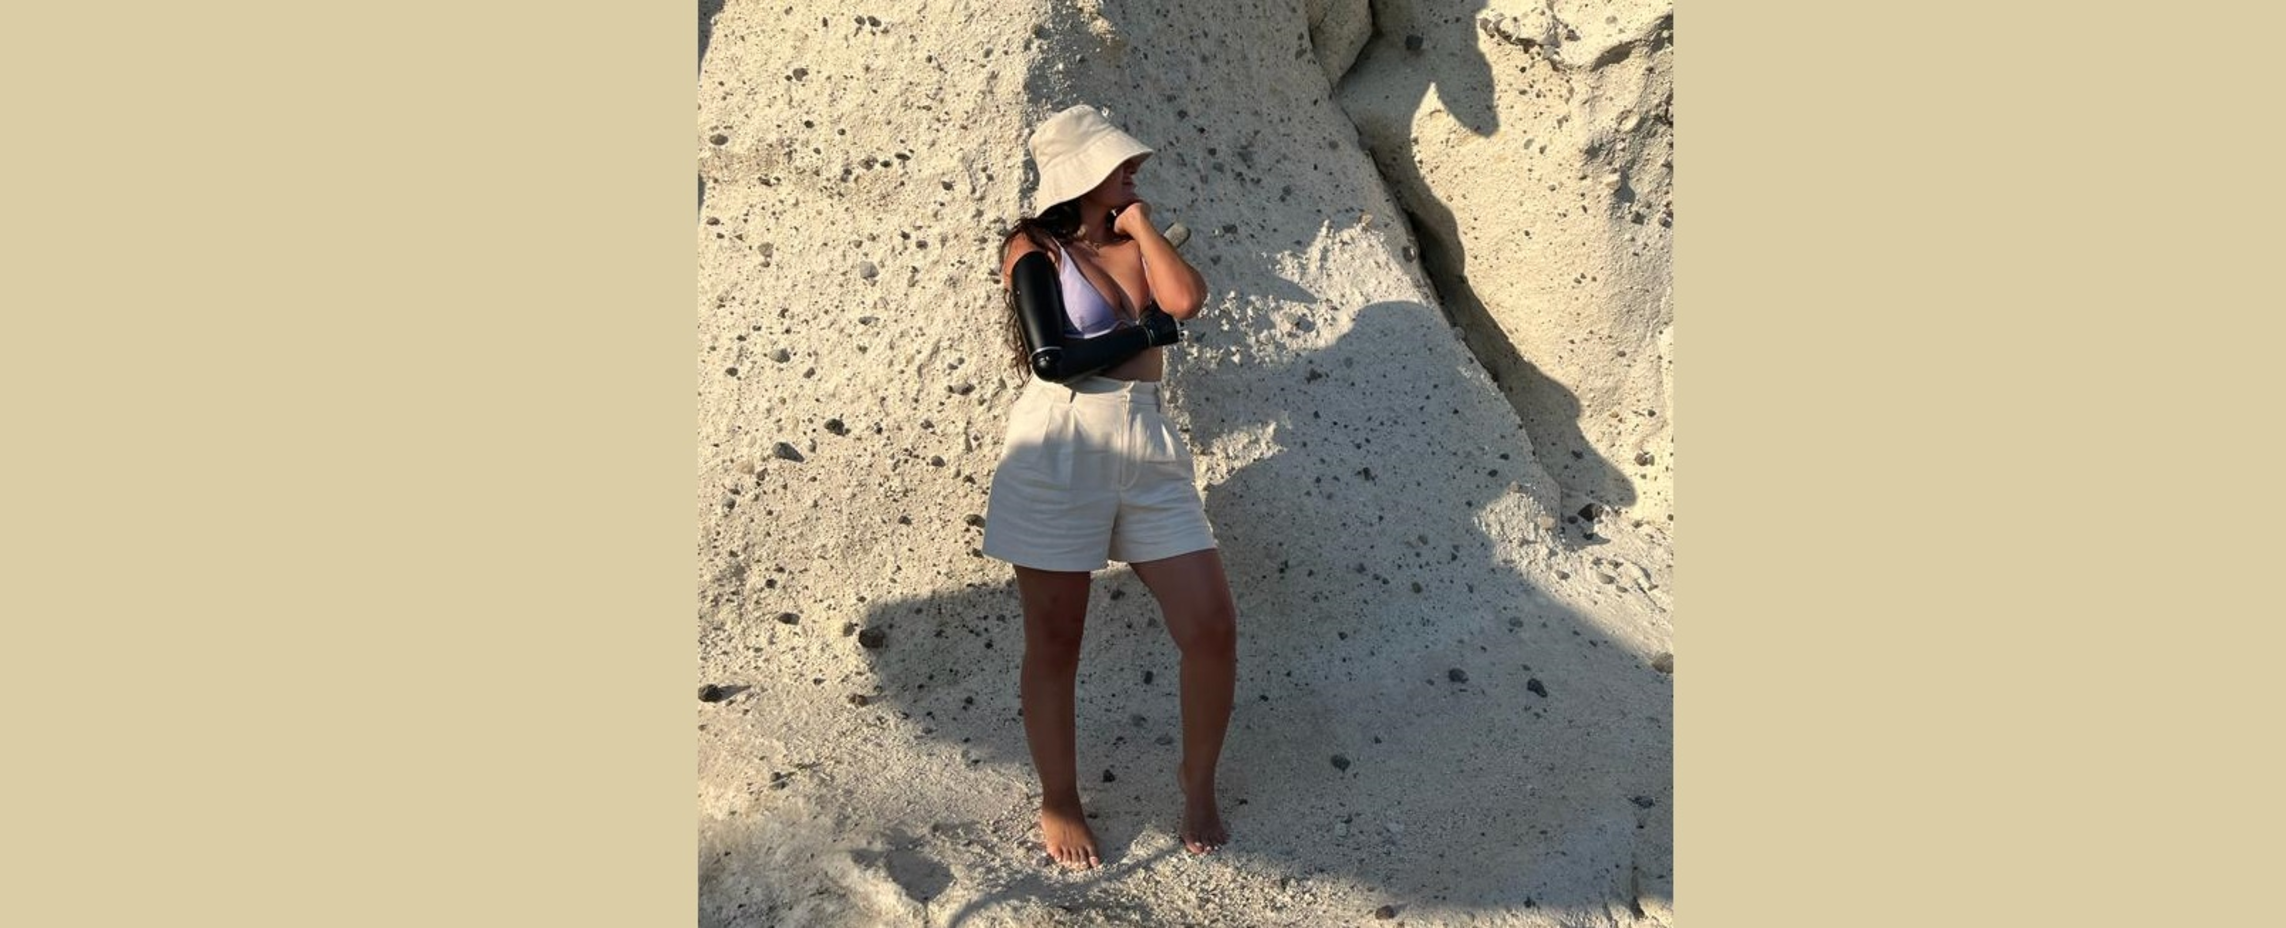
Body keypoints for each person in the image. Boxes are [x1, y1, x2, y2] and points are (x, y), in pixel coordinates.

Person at [982, 105, 1238, 869]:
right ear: (1080, 174)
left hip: (1147, 440)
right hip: (1060, 441)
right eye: (1119, 163)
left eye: (1130, 161)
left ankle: (1198, 782)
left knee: (1211, 625)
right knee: (1057, 638)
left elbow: (1186, 301)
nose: (1133, 170)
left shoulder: (1134, 246)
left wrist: (1143, 226)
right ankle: (1059, 798)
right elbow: (1051, 359)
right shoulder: (1034, 248)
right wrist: (1145, 334)